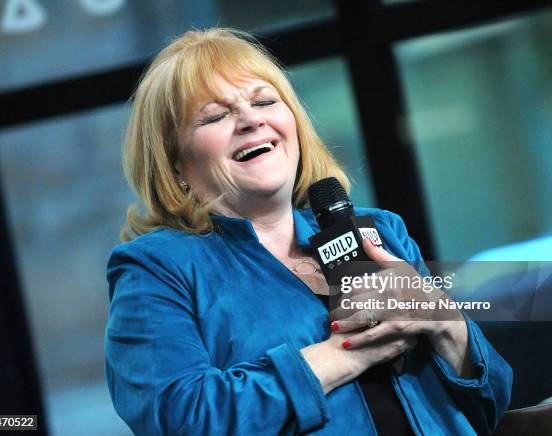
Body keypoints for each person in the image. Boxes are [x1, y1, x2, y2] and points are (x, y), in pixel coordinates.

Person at [105, 27, 513, 435]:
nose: (251, 119)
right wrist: (344, 355)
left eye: (265, 100)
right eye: (215, 116)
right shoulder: (155, 269)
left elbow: (489, 402)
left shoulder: (382, 231)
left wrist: (444, 322)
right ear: (175, 164)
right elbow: (182, 418)